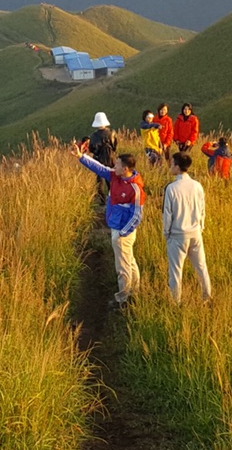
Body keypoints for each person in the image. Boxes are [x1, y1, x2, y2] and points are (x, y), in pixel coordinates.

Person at [75, 143, 146, 307]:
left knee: (122, 267)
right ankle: (134, 292)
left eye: (118, 164)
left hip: (123, 232)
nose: (114, 166)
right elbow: (99, 168)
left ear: (126, 168)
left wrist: (122, 233)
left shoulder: (135, 189)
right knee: (129, 261)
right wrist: (80, 156)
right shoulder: (116, 176)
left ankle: (123, 300)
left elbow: (137, 215)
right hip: (119, 229)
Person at [162, 151, 212, 303]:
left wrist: (166, 233)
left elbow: (167, 214)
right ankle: (207, 297)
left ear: (177, 166)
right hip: (195, 233)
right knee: (201, 267)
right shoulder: (197, 186)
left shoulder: (171, 188)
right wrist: (200, 227)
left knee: (176, 272)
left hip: (177, 235)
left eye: (172, 164)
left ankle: (175, 302)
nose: (170, 166)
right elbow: (202, 209)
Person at [87, 112, 117, 202]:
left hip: (98, 159)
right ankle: (113, 198)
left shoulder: (93, 136)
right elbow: (115, 146)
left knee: (99, 180)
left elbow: (91, 149)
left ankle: (102, 200)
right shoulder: (112, 133)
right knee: (111, 178)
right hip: (110, 158)